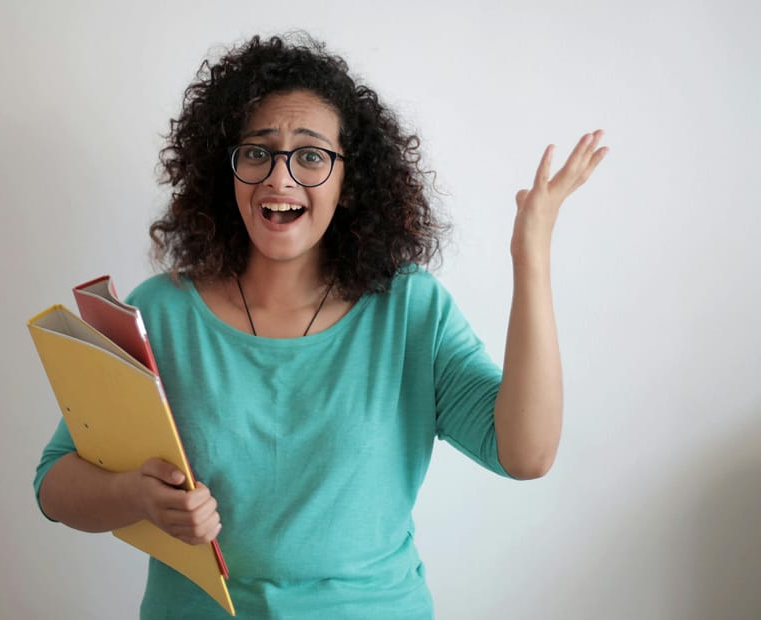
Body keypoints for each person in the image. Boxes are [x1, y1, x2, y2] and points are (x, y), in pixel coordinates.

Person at [34, 33, 607, 619]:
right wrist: (134, 496)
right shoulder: (158, 312)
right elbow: (54, 485)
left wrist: (530, 253)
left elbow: (526, 454)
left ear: (348, 179)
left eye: (310, 155)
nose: (280, 179)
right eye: (257, 152)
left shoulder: (409, 310)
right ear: (224, 170)